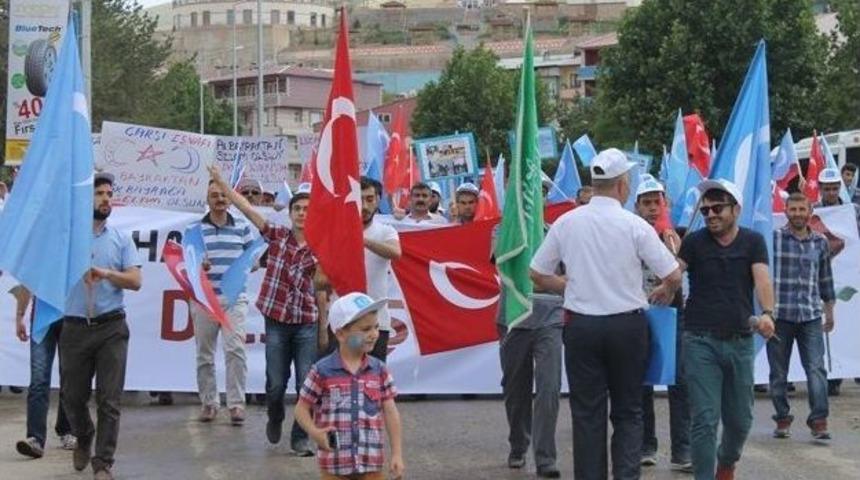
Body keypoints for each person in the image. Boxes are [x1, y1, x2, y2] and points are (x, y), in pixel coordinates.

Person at [530, 148, 682, 480]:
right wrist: (664, 293)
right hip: (627, 326)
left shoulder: (567, 222)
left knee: (587, 413)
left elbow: (537, 273)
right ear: (622, 185)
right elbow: (673, 274)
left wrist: (567, 287)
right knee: (628, 411)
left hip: (581, 325)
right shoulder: (633, 225)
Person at [208, 165, 319, 456]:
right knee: (276, 383)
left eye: (308, 209)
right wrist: (222, 182)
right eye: (298, 208)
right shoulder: (278, 236)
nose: (302, 213)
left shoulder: (322, 248)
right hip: (278, 321)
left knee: (306, 383)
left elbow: (324, 285)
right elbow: (246, 208)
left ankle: (300, 437)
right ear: (291, 212)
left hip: (307, 323)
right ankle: (275, 414)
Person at [676, 179, 775, 480]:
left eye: (717, 208)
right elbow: (672, 273)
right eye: (705, 210)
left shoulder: (753, 241)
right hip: (699, 340)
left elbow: (762, 280)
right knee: (705, 419)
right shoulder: (692, 241)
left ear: (736, 209)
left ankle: (727, 463)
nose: (710, 214)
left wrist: (768, 313)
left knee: (740, 421)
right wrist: (664, 279)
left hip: (740, 341)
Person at [60, 172, 142, 480]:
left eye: (109, 193)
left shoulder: (120, 239)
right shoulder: (68, 238)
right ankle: (84, 434)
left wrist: (107, 273)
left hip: (112, 327)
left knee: (109, 399)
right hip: (74, 327)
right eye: (99, 193)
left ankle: (103, 462)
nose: (106, 198)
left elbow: (135, 280)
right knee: (72, 397)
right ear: (86, 199)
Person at [295, 292, 404, 480]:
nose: (373, 334)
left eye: (376, 327)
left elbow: (391, 412)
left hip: (371, 464)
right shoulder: (322, 370)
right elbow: (301, 409)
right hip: (334, 466)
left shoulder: (379, 370)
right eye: (365, 329)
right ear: (340, 333)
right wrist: (314, 432)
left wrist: (397, 454)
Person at [633, 179, 692, 472]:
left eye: (657, 202)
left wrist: (679, 256)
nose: (653, 208)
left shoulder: (676, 236)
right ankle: (646, 446)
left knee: (679, 382)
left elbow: (682, 272)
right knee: (641, 383)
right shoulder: (627, 234)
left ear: (664, 205)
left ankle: (682, 451)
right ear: (636, 206)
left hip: (673, 318)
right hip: (637, 315)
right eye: (646, 202)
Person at [188, 180, 256, 425]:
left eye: (223, 195)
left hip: (235, 297)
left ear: (229, 198)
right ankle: (209, 402)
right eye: (214, 195)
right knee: (204, 354)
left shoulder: (243, 226)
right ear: (206, 199)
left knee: (235, 350)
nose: (219, 199)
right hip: (204, 298)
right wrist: (198, 265)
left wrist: (244, 266)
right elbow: (186, 263)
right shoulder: (194, 228)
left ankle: (236, 404)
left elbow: (255, 259)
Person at [769, 192, 835, 440]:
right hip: (779, 316)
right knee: (778, 373)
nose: (797, 213)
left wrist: (830, 312)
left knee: (817, 369)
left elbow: (825, 280)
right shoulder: (773, 239)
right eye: (793, 209)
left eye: (802, 209)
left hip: (810, 316)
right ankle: (782, 419)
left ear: (810, 212)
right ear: (786, 211)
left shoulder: (820, 242)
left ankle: (819, 421)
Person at [497, 290, 563, 478]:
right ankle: (518, 444)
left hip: (551, 319)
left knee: (549, 388)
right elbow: (504, 265)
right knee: (515, 389)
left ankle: (546, 459)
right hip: (513, 319)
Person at [13, 286, 77, 458]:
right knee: (39, 378)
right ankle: (35, 438)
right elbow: (28, 281)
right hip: (42, 319)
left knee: (70, 376)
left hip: (72, 317)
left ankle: (67, 429)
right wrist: (20, 315)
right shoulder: (39, 257)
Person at [812, 167, 858, 396]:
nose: (830, 192)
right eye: (826, 188)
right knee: (824, 324)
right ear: (820, 189)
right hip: (820, 275)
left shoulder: (852, 211)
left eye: (834, 188)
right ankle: (829, 375)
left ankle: (844, 372)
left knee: (847, 323)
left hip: (847, 273)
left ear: (840, 188)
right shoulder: (812, 212)